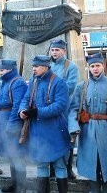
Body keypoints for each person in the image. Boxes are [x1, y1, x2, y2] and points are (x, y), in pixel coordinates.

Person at [68, 53, 107, 193]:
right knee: (91, 167)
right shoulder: (81, 87)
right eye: (92, 66)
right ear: (88, 68)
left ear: (103, 66)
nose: (95, 69)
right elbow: (73, 110)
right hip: (87, 132)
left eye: (98, 65)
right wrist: (74, 127)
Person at [18, 55, 70, 193]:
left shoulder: (59, 83)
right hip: (37, 130)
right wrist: (22, 110)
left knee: (59, 165)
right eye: (33, 66)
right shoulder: (34, 81)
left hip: (55, 130)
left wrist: (37, 112)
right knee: (41, 164)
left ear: (46, 67)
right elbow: (26, 98)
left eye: (36, 66)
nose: (33, 69)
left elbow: (60, 106)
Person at [0, 59, 28, 193]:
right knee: (11, 155)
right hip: (3, 122)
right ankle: (14, 185)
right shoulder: (5, 82)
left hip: (11, 122)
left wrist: (12, 125)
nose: (0, 72)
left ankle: (21, 187)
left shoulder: (17, 82)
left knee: (17, 156)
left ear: (10, 69)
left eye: (2, 69)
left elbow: (17, 106)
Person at [48, 39, 79, 179]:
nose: (54, 52)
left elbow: (71, 86)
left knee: (67, 138)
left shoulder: (71, 67)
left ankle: (68, 168)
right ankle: (52, 168)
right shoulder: (46, 65)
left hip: (64, 108)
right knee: (50, 137)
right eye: (53, 50)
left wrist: (51, 92)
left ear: (64, 51)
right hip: (48, 108)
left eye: (57, 50)